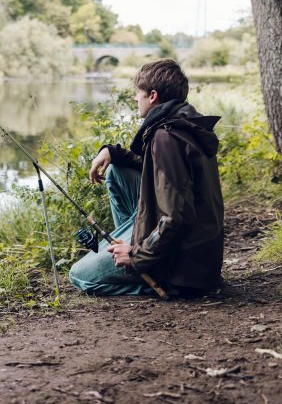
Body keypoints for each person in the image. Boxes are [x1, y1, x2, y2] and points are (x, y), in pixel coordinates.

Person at [69, 59, 224, 297]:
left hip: (185, 270)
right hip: (201, 257)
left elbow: (177, 216)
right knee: (117, 171)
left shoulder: (166, 138)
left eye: (137, 93)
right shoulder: (183, 126)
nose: (134, 99)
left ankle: (149, 277)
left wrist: (136, 256)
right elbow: (154, 168)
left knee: (78, 275)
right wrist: (113, 152)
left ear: (152, 96)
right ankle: (131, 248)